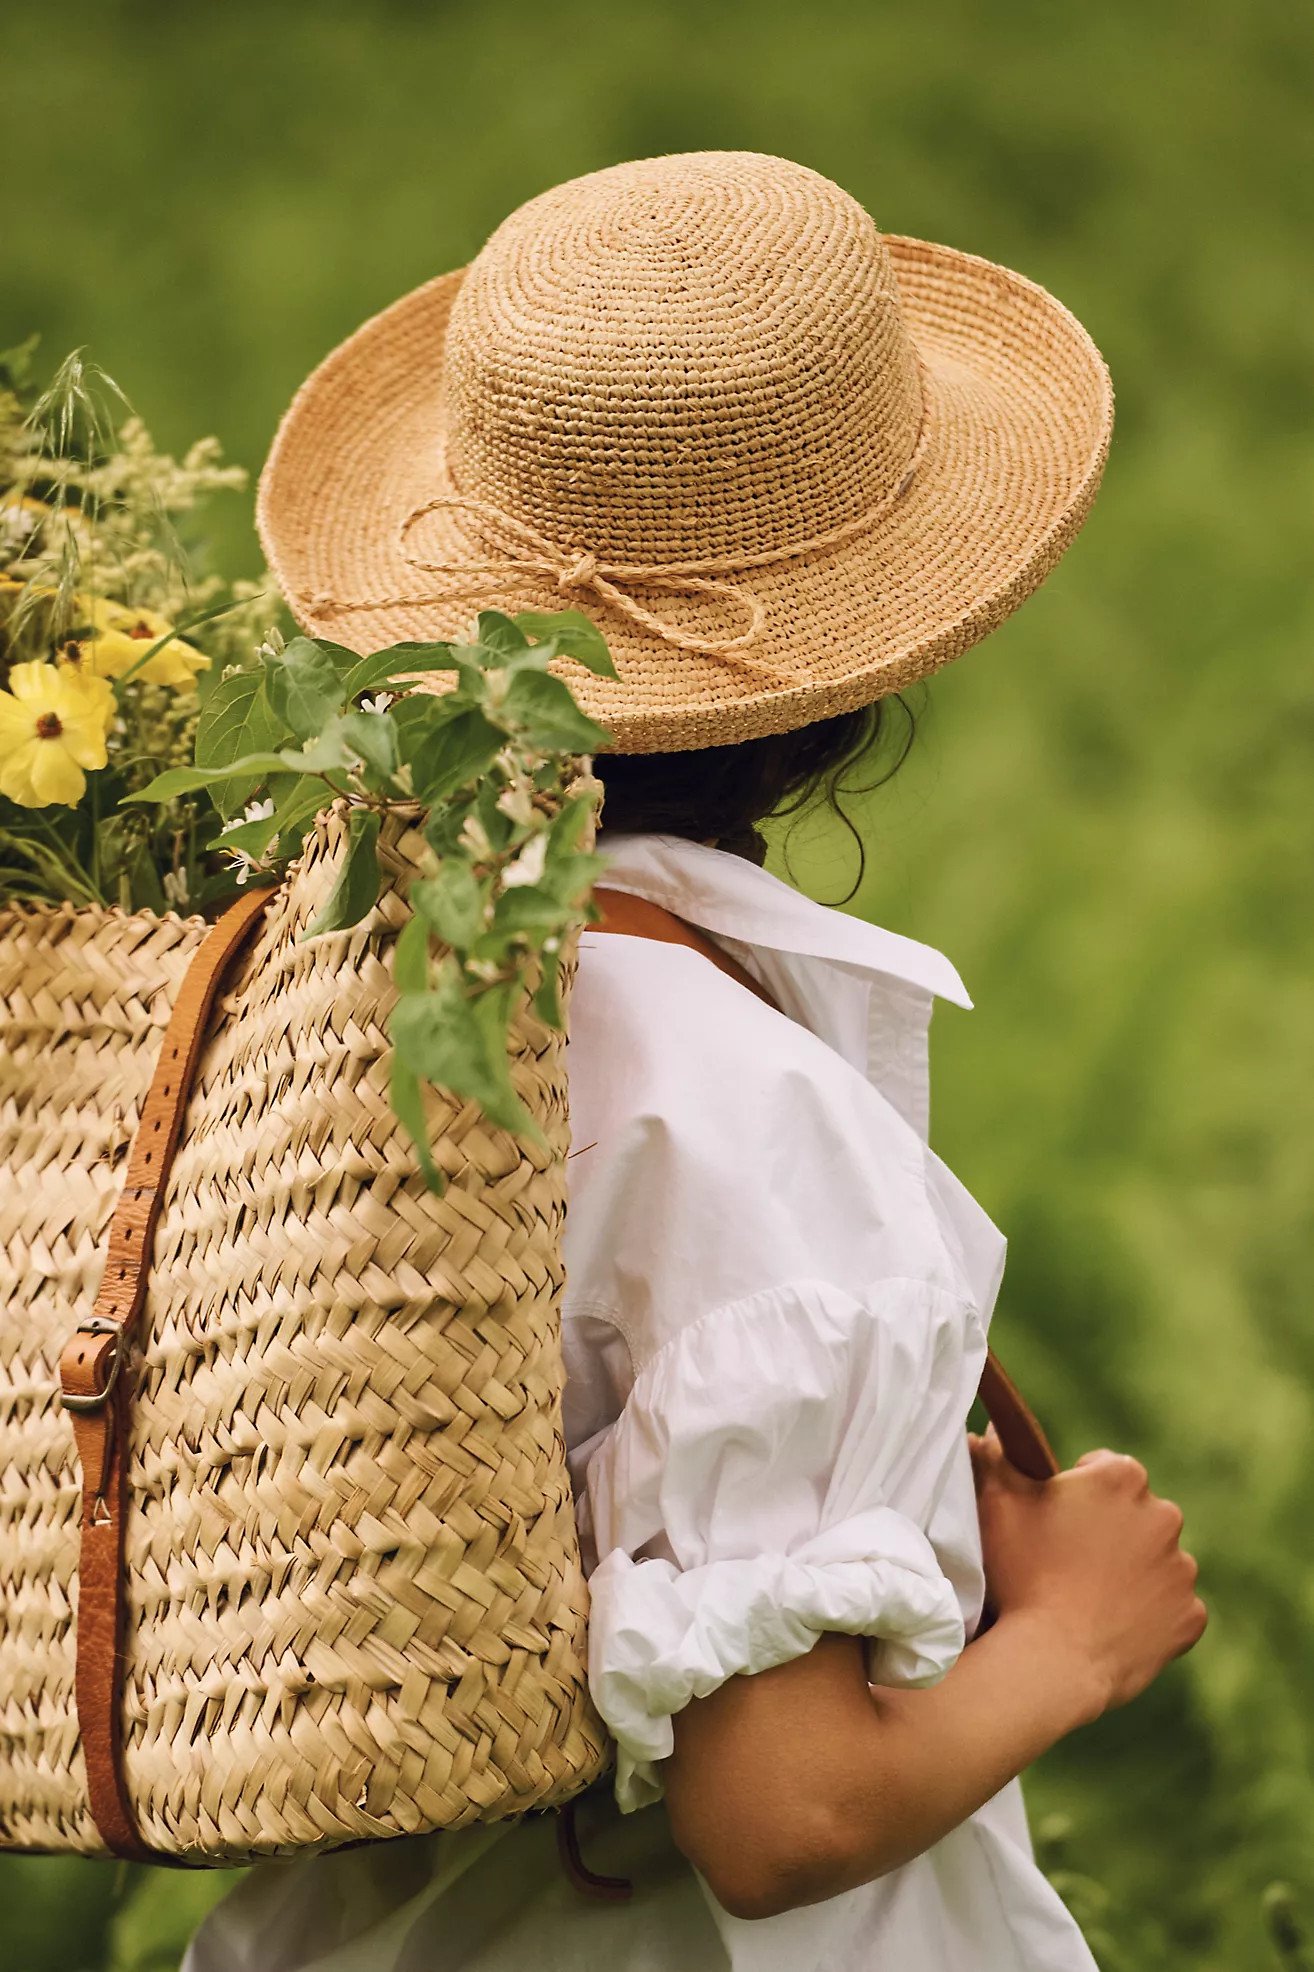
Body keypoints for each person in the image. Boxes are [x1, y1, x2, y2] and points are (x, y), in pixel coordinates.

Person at [190, 150, 1205, 1971]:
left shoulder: (323, 989)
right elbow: (782, 1814)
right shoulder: (733, 1110)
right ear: (854, 684)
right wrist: (1072, 1639)